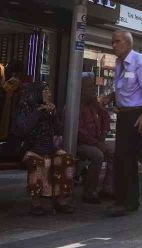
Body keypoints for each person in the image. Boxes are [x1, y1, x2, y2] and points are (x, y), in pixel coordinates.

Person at [108, 31, 142, 216]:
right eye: (112, 42)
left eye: (117, 42)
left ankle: (128, 202)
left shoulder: (140, 61)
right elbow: (124, 90)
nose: (114, 45)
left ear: (128, 43)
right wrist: (109, 97)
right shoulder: (118, 63)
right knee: (121, 157)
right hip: (123, 115)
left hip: (136, 115)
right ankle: (122, 199)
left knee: (127, 157)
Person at [14, 82, 74, 216]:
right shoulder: (25, 107)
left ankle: (60, 199)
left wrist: (53, 113)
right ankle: (36, 202)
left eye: (49, 91)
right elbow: (23, 129)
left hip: (48, 148)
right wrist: (38, 112)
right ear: (37, 93)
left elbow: (58, 129)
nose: (49, 94)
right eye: (46, 91)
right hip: (31, 148)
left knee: (65, 159)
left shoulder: (49, 109)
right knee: (39, 163)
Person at [77, 74, 114, 204]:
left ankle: (108, 188)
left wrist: (103, 134)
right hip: (81, 143)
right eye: (88, 87)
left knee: (113, 152)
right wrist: (98, 144)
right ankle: (89, 192)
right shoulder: (75, 105)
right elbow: (79, 134)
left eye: (92, 86)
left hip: (95, 141)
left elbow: (106, 118)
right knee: (97, 155)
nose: (92, 90)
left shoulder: (93, 106)